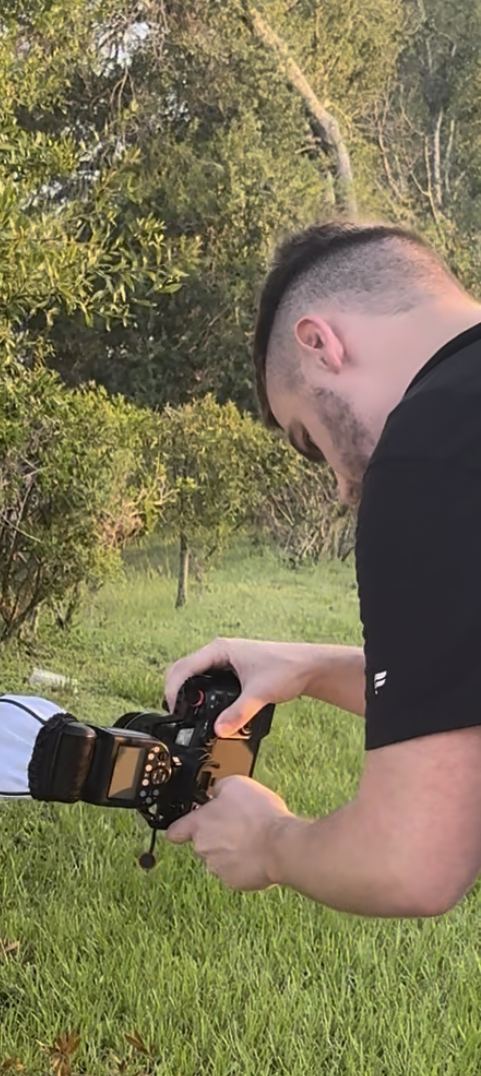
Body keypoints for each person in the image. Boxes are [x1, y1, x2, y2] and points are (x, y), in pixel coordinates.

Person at [164, 218, 481, 915]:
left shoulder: (427, 451)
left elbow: (410, 863)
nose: (341, 486)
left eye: (309, 440)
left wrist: (269, 841)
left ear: (319, 344)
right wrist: (311, 668)